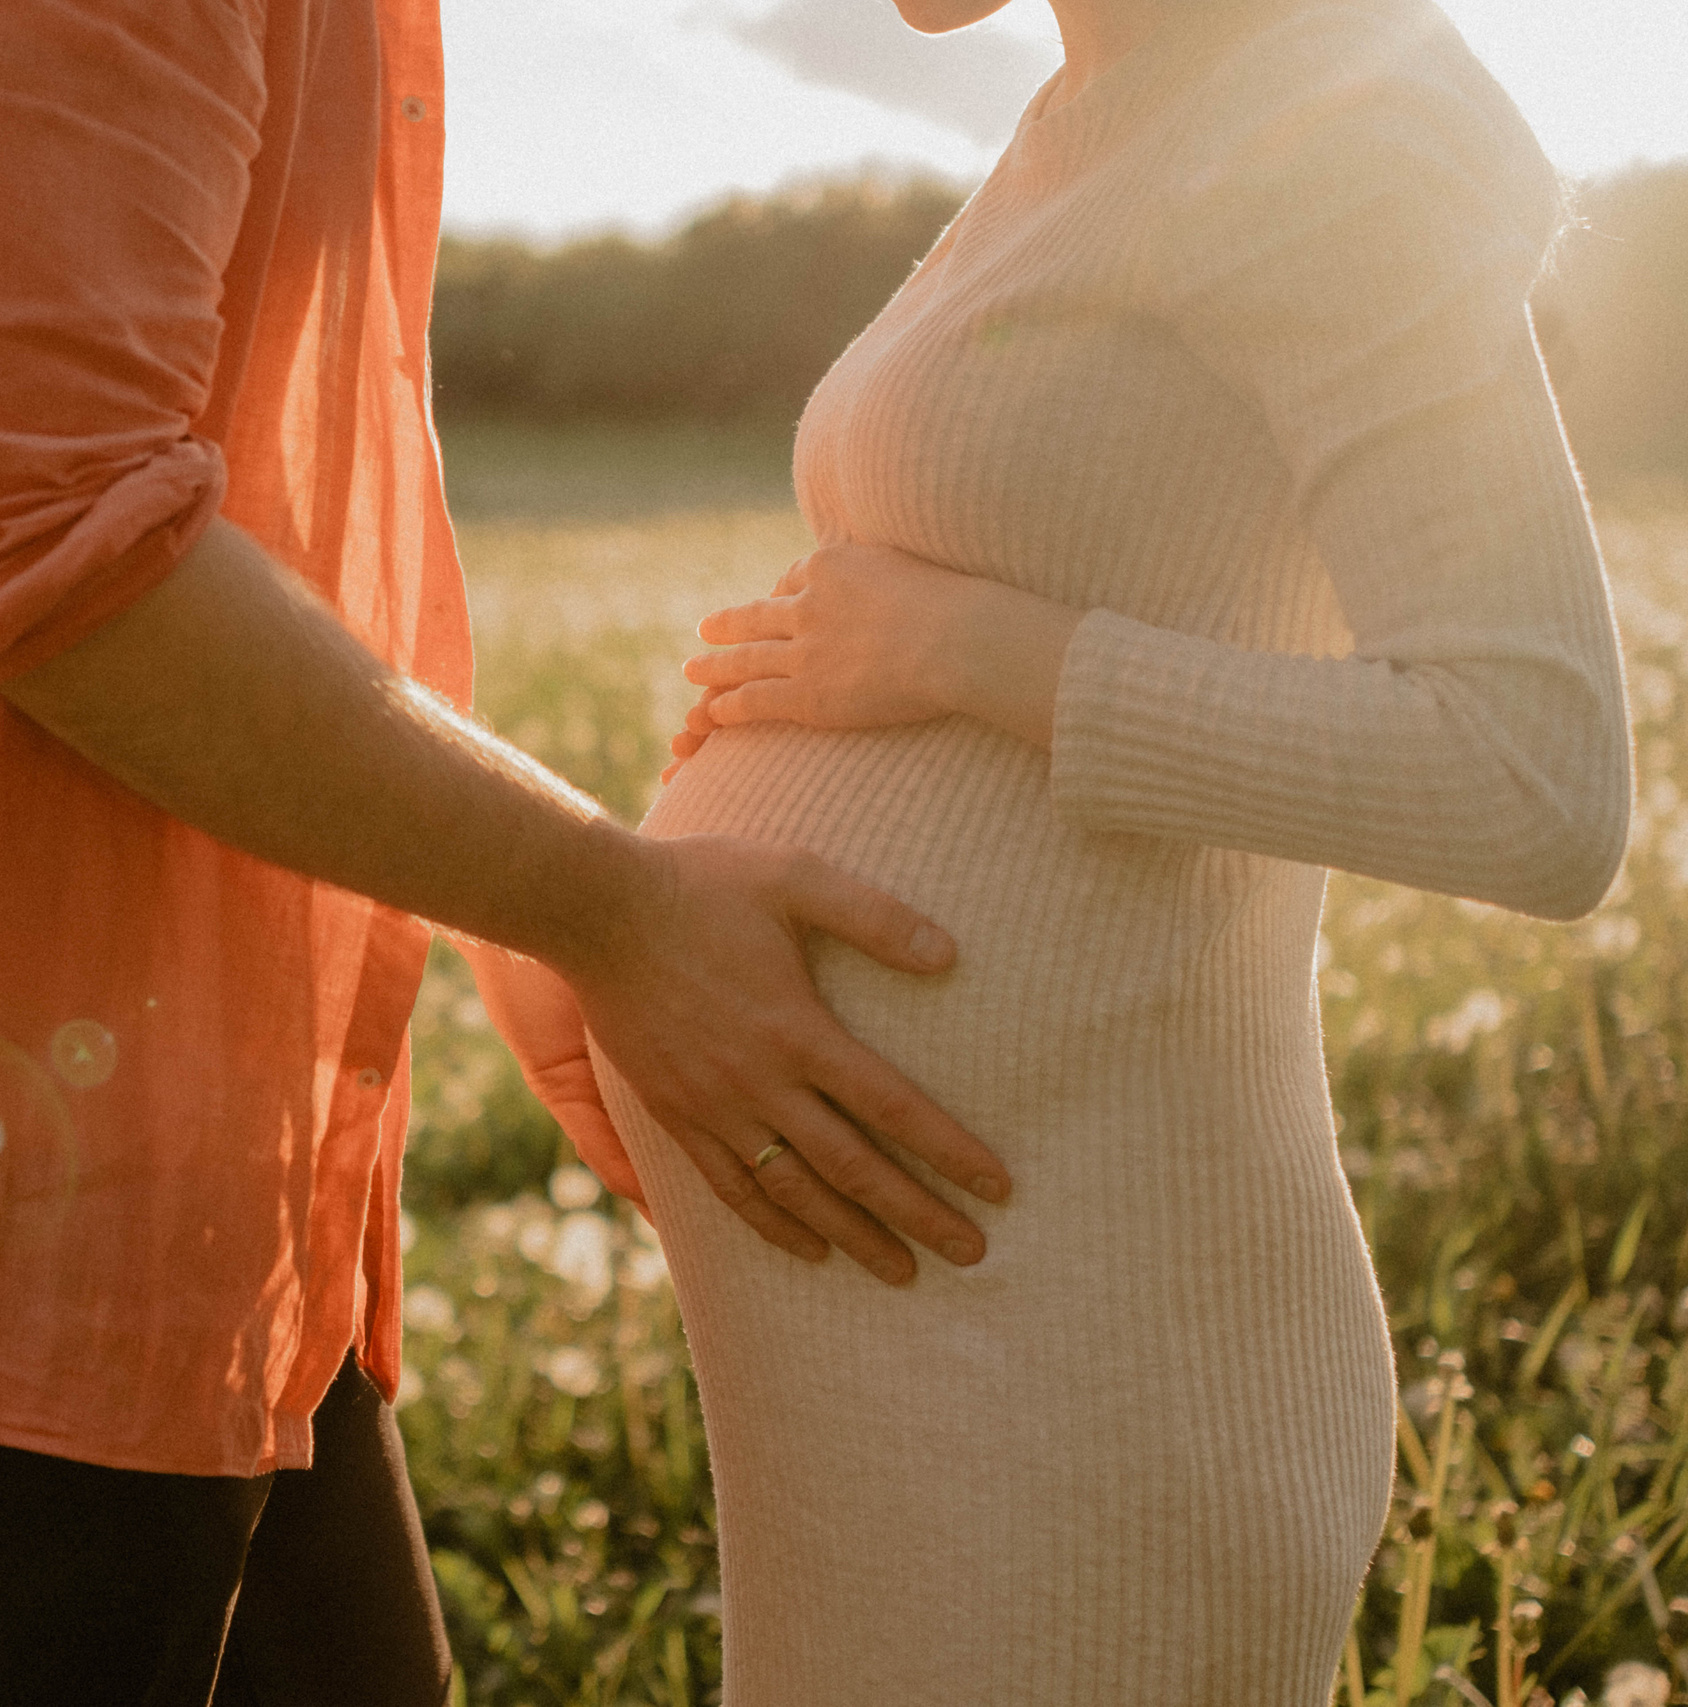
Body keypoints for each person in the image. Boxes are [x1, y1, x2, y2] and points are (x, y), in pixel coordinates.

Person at [0, 2, 1013, 1702]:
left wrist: (538, 912)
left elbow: (221, 492)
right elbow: (27, 514)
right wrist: (604, 910)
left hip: (133, 1110)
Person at [481, 0, 1630, 1697]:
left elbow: (1533, 778)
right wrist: (627, 900)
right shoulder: (1101, 110)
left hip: (1089, 1381)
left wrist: (970, 655)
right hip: (899, 1362)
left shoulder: (1343, 113)